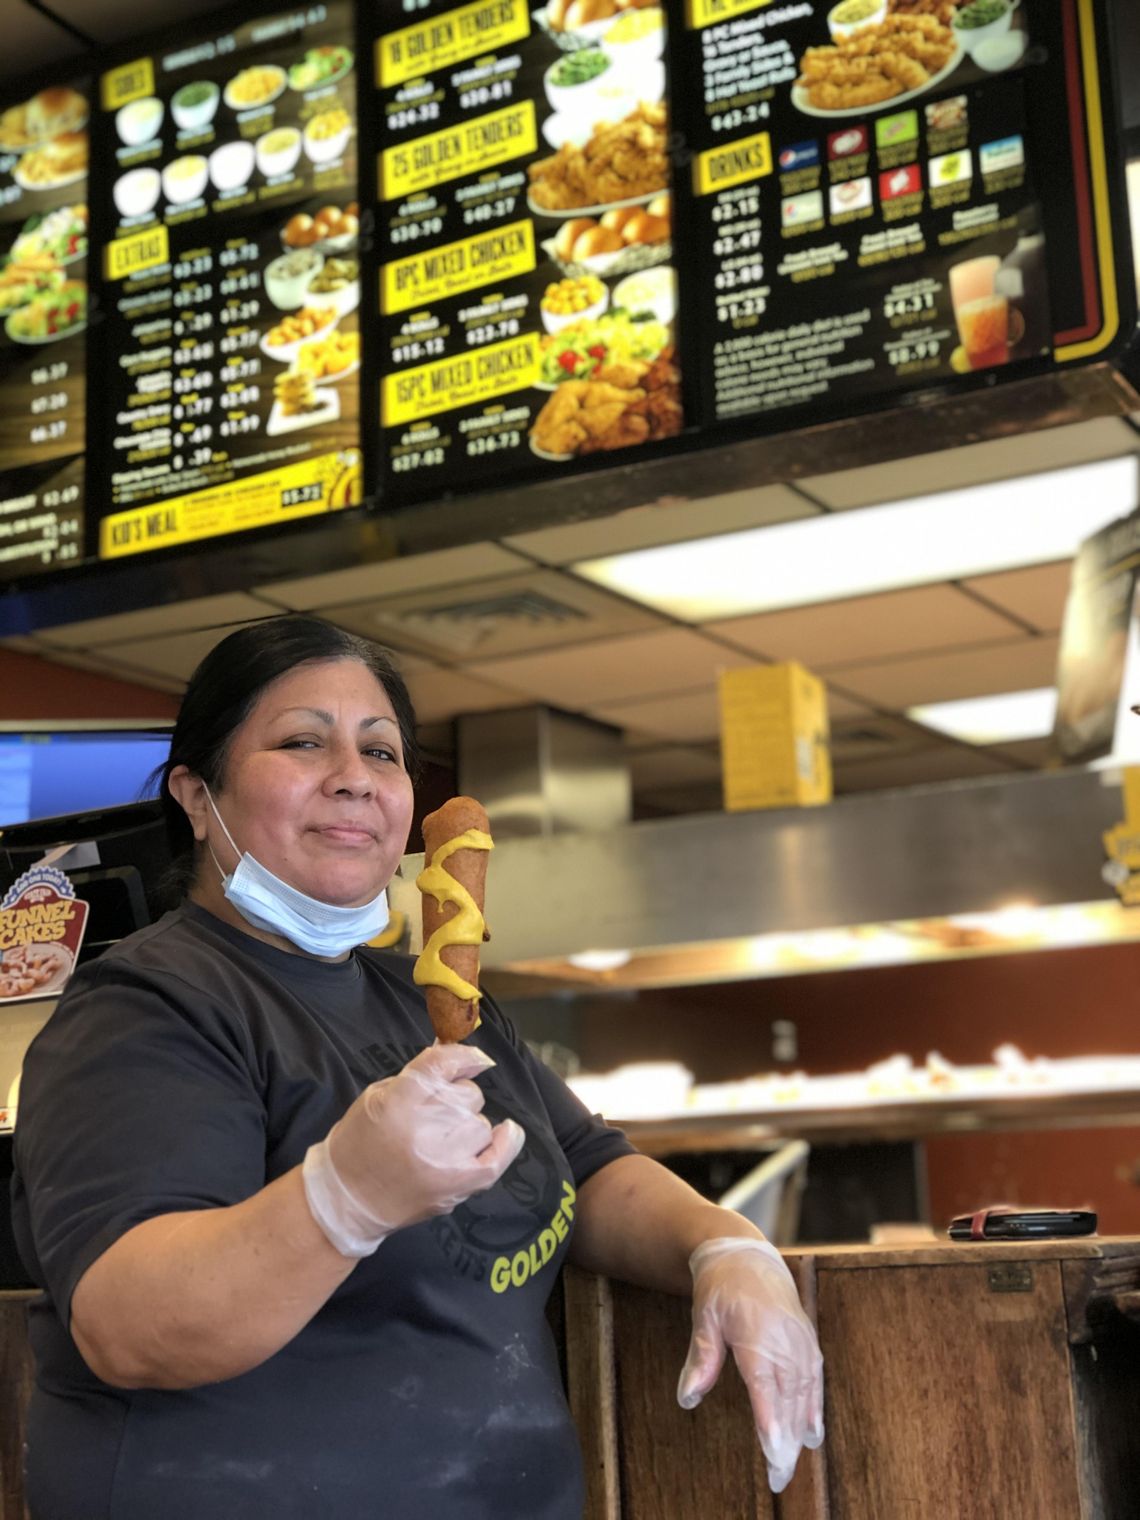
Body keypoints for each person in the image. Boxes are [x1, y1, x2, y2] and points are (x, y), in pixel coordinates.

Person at [11, 615, 823, 1520]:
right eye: (303, 741)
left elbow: (587, 1168)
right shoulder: (145, 1006)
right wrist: (343, 1199)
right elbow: (131, 1326)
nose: (354, 776)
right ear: (198, 797)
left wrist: (723, 1248)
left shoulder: (432, 999)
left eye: (381, 751)